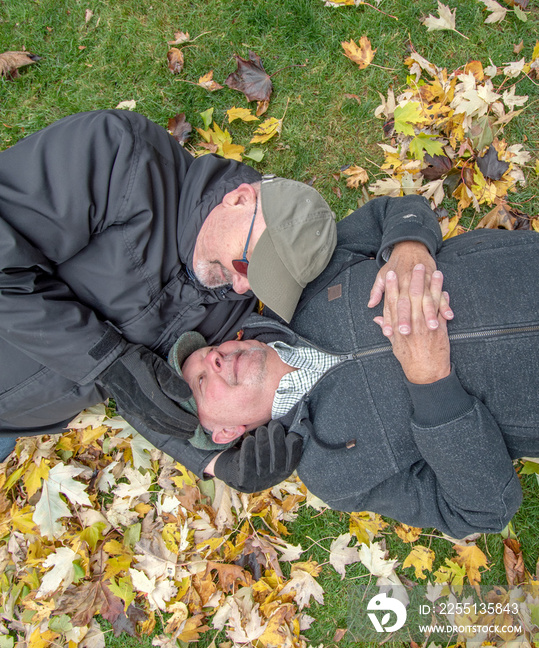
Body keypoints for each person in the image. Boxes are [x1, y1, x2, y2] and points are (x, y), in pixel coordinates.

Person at [0, 110, 450, 487]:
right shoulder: (120, 155)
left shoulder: (228, 305)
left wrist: (217, 462)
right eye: (245, 266)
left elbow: (157, 396)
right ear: (239, 199)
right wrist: (105, 359)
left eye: (258, 287)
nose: (238, 289)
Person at [168, 200, 539, 539]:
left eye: (210, 349)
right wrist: (432, 383)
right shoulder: (334, 475)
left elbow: (392, 211)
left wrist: (410, 246)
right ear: (225, 433)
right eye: (201, 381)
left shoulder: (302, 289)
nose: (214, 357)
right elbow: (483, 511)